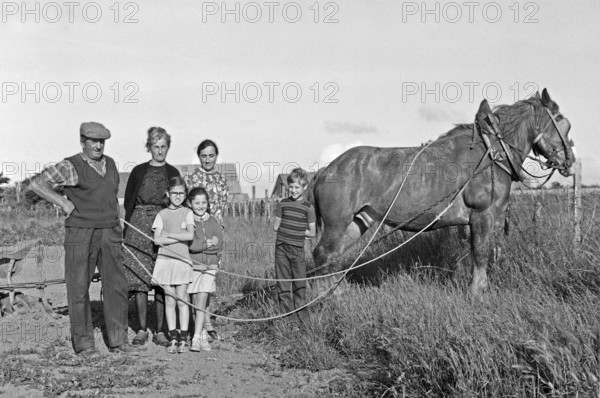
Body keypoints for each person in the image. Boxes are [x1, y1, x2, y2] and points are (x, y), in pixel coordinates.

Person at [30, 122, 137, 357]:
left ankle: (119, 341)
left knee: (117, 287)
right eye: (93, 141)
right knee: (78, 288)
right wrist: (63, 202)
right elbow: (38, 183)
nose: (98, 145)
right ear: (82, 141)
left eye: (102, 141)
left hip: (109, 232)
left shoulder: (110, 164)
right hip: (80, 233)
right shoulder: (71, 165)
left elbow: (109, 196)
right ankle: (85, 345)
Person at [123, 127, 180, 347]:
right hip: (138, 227)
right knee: (139, 280)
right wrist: (126, 231)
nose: (159, 151)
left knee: (161, 280)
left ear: (168, 147)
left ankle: (161, 330)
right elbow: (128, 202)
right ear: (149, 147)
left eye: (163, 146)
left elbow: (179, 202)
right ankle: (141, 329)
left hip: (163, 225)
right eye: (155, 146)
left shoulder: (173, 172)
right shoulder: (138, 171)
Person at [183, 139, 229, 341]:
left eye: (211, 155)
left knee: (209, 279)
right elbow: (186, 208)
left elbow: (222, 211)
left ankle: (207, 320)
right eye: (204, 156)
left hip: (215, 234)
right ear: (199, 157)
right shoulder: (192, 177)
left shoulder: (221, 179)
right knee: (195, 279)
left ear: (216, 156)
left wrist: (218, 235)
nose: (208, 159)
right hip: (196, 234)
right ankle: (198, 321)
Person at [152, 176, 194, 354]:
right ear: (168, 194)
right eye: (174, 193)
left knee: (182, 299)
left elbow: (189, 236)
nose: (178, 196)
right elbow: (157, 240)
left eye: (181, 193)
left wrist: (170, 234)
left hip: (182, 261)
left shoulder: (187, 213)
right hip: (165, 261)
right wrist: (177, 235)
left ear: (185, 194)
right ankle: (173, 337)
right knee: (169, 300)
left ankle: (183, 337)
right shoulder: (162, 214)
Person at [273, 168, 317, 324]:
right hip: (281, 248)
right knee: (283, 284)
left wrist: (298, 230)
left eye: (297, 187)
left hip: (297, 250)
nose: (293, 190)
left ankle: (303, 319)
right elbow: (275, 227)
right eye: (291, 186)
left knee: (299, 284)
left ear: (304, 187)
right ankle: (289, 321)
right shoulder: (282, 204)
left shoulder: (308, 207)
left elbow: (312, 233)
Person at [187, 187, 223, 352]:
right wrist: (207, 243)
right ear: (191, 203)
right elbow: (191, 245)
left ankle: (197, 337)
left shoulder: (213, 221)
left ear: (207, 203)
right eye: (197, 203)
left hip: (210, 266)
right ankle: (201, 332)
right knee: (195, 301)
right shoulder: (189, 221)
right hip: (194, 266)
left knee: (202, 299)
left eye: (203, 202)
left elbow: (219, 244)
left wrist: (205, 247)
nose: (200, 206)